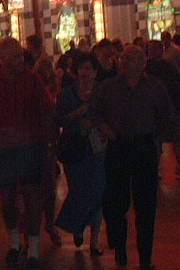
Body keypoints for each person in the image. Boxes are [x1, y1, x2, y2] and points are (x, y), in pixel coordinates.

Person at [89, 45, 174, 270]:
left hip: (144, 146)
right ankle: (120, 247)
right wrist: (105, 129)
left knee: (146, 203)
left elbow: (167, 114)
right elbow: (96, 112)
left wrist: (156, 138)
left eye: (131, 58)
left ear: (143, 62)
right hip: (119, 145)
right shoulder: (109, 86)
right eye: (123, 58)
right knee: (116, 201)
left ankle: (145, 256)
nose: (125, 62)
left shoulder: (154, 86)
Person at [0, 37, 54, 270]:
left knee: (32, 196)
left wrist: (49, 144)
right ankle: (14, 242)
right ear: (2, 59)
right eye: (16, 56)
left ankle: (34, 249)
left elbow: (47, 112)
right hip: (3, 147)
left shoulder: (32, 79)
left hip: (31, 144)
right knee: (7, 199)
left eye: (21, 55)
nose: (21, 60)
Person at [54, 51, 106, 256]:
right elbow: (59, 119)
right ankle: (78, 224)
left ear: (95, 71)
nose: (85, 72)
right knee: (78, 190)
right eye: (82, 68)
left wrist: (95, 122)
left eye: (89, 68)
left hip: (97, 147)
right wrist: (77, 116)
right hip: (75, 148)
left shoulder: (102, 91)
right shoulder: (68, 94)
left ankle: (94, 240)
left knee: (98, 192)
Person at [144, 40, 180, 177]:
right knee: (156, 140)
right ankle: (156, 167)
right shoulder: (146, 67)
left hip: (174, 106)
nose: (152, 52)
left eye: (154, 49)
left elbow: (178, 84)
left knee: (179, 136)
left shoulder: (168, 66)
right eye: (150, 49)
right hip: (156, 109)